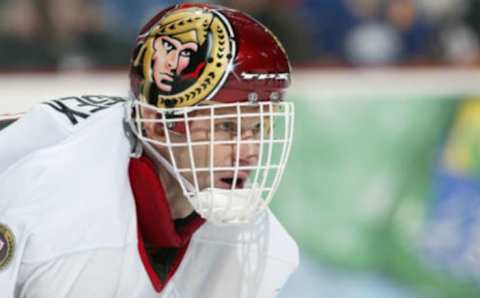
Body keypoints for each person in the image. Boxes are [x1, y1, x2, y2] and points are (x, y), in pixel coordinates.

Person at [0, 3, 298, 298]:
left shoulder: (260, 245)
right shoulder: (60, 210)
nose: (250, 152)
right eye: (225, 127)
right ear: (157, 124)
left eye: (258, 129)